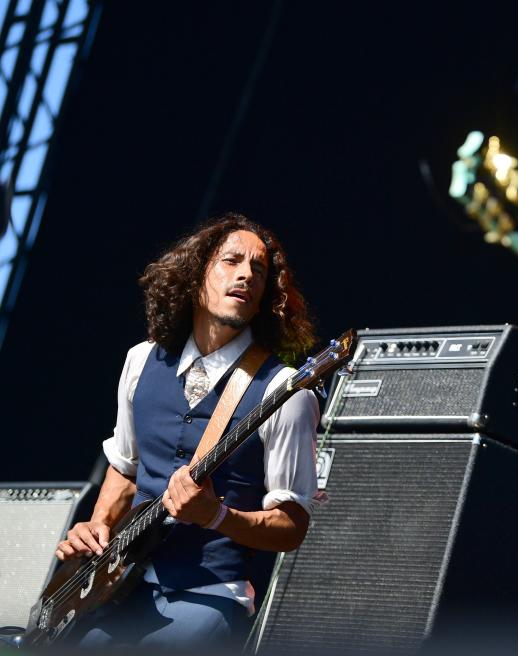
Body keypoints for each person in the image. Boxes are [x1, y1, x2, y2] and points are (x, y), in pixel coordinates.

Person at [54, 214, 321, 647]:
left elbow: (291, 526)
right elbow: (125, 468)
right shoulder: (141, 362)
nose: (246, 275)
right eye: (231, 260)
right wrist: (97, 526)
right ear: (195, 277)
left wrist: (216, 515)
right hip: (119, 586)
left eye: (259, 269)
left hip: (208, 595)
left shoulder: (284, 391)